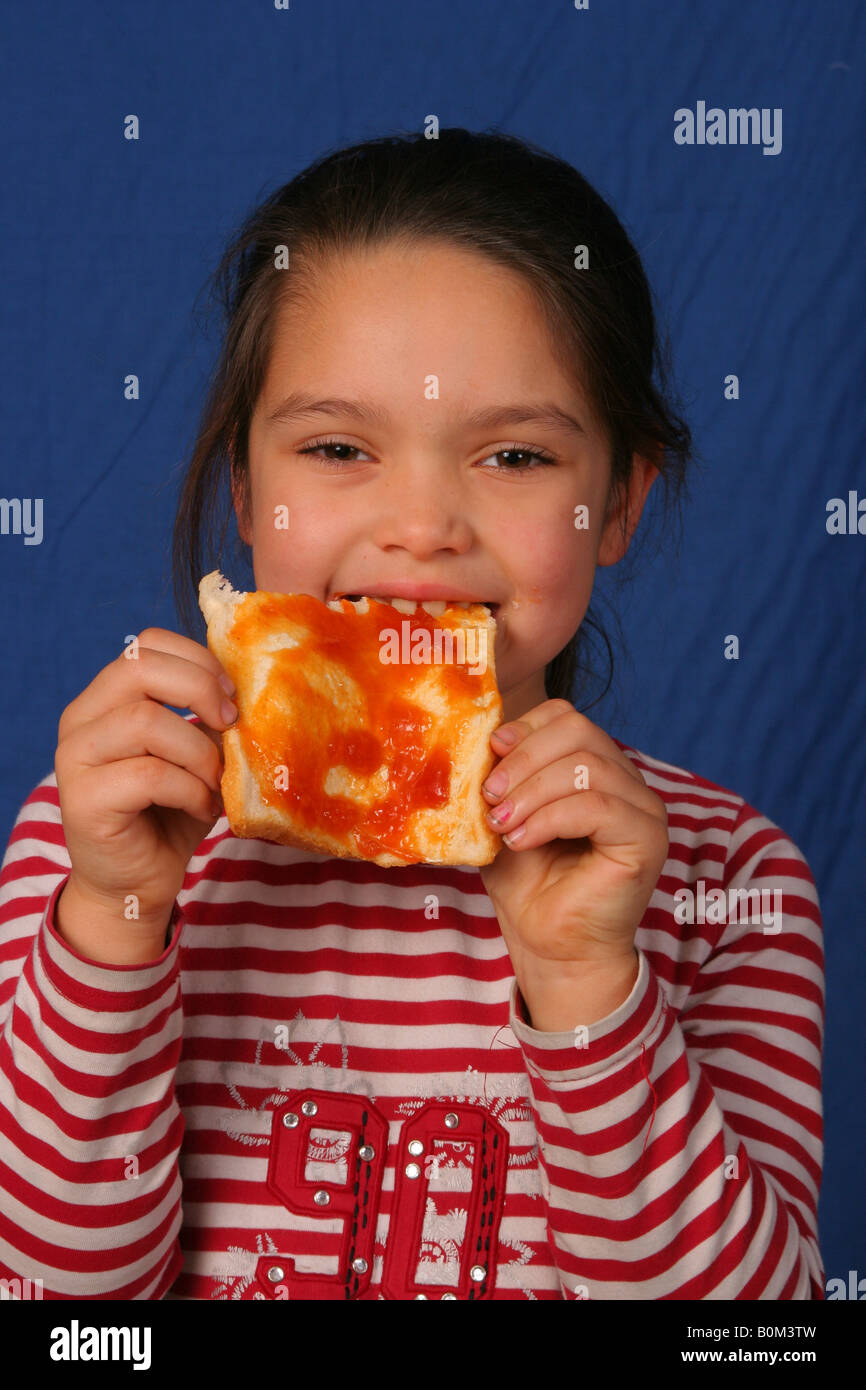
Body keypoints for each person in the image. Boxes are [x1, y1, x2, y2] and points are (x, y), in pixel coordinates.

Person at [0, 128, 824, 1300]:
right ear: (245, 489)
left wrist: (583, 974)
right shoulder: (96, 841)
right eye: (338, 446)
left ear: (620, 503)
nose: (424, 523)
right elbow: (59, 1304)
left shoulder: (729, 880)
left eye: (514, 455)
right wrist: (115, 920)